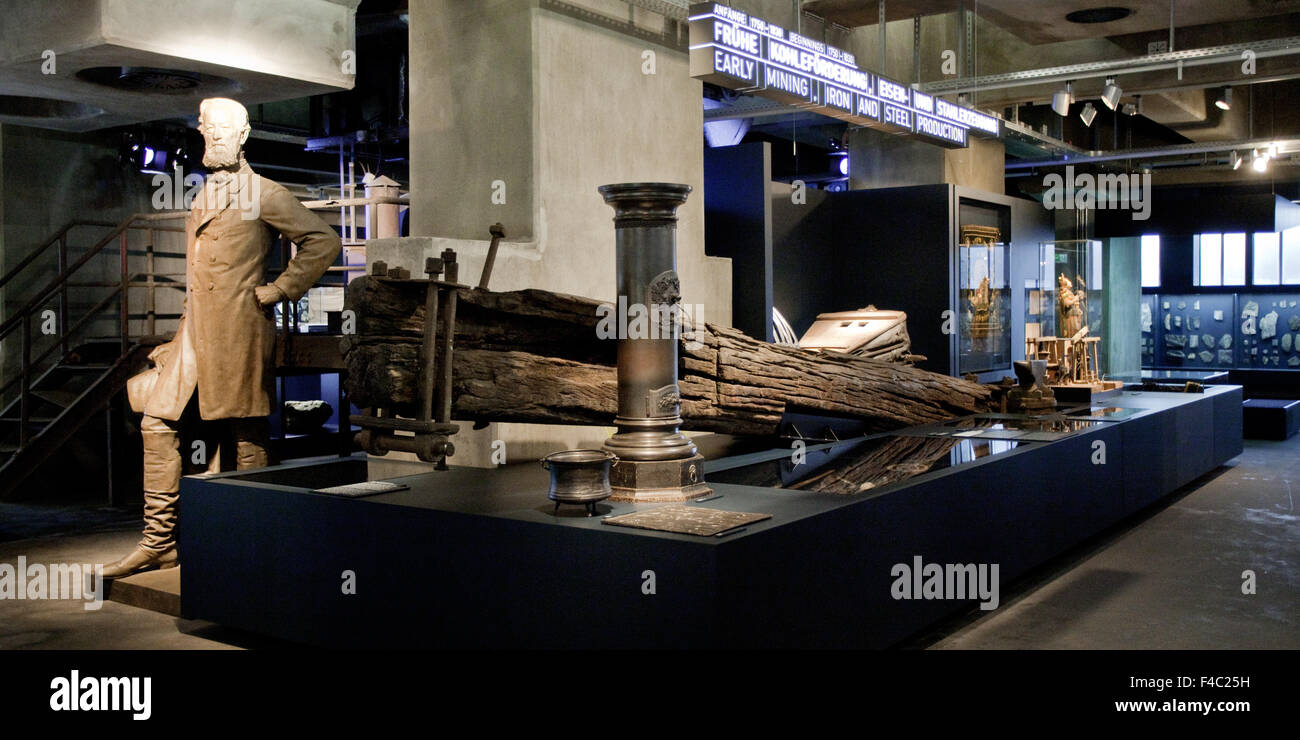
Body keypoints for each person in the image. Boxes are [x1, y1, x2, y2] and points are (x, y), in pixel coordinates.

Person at [102, 98, 341, 578]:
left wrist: (279, 290)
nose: (214, 138)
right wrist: (178, 336)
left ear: (244, 135)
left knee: (245, 434)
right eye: (208, 130)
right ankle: (159, 542)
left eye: (223, 131)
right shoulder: (202, 194)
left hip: (240, 330)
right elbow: (197, 275)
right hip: (196, 332)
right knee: (156, 422)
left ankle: (253, 544)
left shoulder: (265, 192)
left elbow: (323, 240)